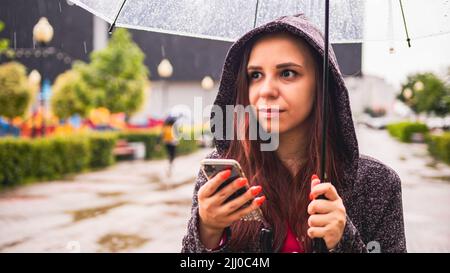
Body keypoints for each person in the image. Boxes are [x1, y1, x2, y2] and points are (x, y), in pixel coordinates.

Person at [181, 14, 406, 253]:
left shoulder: (378, 185)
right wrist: (207, 230)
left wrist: (344, 241)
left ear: (323, 85)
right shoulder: (222, 174)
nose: (266, 90)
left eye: (287, 73)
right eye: (255, 75)